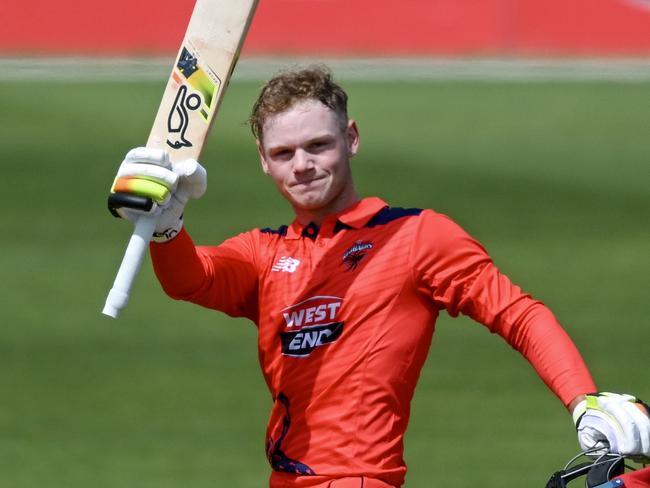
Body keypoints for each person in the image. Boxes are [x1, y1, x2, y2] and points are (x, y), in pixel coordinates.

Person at [108, 66, 650, 488]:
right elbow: (191, 279)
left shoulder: (416, 236)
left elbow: (517, 313)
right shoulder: (265, 253)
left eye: (318, 145)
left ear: (351, 138)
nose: (302, 165)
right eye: (283, 153)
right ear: (263, 162)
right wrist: (166, 227)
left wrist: (583, 400)